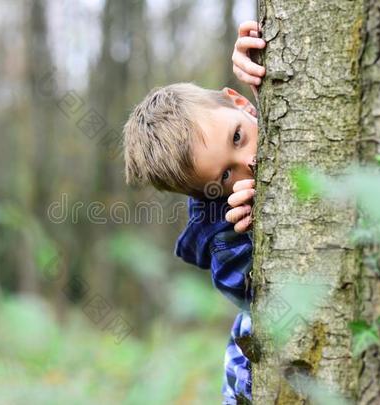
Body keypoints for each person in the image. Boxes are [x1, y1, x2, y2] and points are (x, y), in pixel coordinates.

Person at [122, 20, 266, 404]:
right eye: (225, 174)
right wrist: (245, 235)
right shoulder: (224, 225)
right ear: (209, 195)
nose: (248, 161)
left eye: (238, 137)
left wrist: (255, 55)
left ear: (239, 102)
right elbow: (246, 293)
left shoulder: (270, 119)